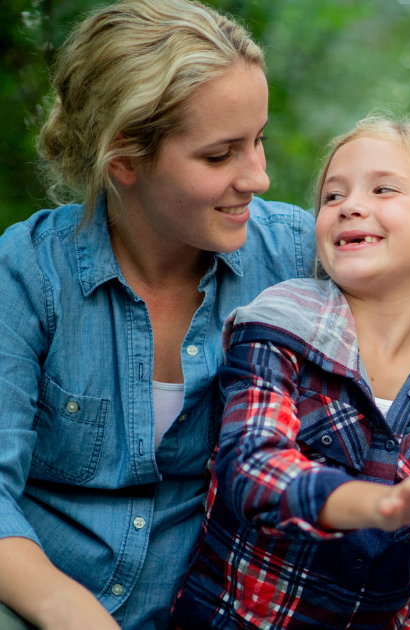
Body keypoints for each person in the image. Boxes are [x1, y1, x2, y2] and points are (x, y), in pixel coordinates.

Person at [0, 1, 316, 628]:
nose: (258, 175)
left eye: (258, 141)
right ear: (124, 160)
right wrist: (70, 611)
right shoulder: (29, 272)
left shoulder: (298, 259)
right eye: (220, 155)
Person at [169, 116, 410, 630]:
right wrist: (384, 504)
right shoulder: (280, 322)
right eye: (332, 197)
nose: (349, 205)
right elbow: (251, 470)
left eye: (383, 189)